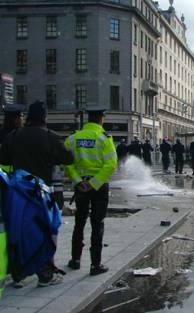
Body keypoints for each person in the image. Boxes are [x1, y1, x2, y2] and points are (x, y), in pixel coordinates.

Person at [0, 101, 74, 285]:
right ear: (44, 118)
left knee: (18, 232)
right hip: (41, 193)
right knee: (46, 232)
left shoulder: (14, 135)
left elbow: (4, 158)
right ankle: (45, 274)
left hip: (18, 193)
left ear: (27, 117)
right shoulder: (50, 136)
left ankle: (18, 274)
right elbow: (68, 158)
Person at [65, 106, 117, 276]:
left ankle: (75, 260)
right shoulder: (104, 138)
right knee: (97, 224)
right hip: (98, 187)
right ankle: (95, 264)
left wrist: (79, 182)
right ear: (102, 118)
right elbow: (111, 165)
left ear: (88, 119)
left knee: (79, 222)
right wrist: (94, 183)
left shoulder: (73, 138)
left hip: (80, 186)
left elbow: (67, 163)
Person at [0, 104, 25, 173]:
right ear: (15, 119)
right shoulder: (21, 134)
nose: (22, 119)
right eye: (21, 116)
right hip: (17, 175)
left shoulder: (1, 133)